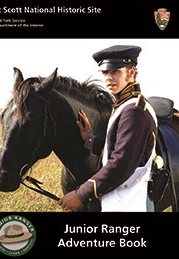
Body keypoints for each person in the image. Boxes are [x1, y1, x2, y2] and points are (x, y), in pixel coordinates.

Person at [58, 45, 158, 212]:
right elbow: (118, 151)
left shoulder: (134, 111)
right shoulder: (123, 105)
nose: (109, 77)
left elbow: (120, 164)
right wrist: (90, 139)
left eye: (115, 72)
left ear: (131, 72)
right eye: (105, 72)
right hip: (119, 200)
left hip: (132, 204)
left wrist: (80, 194)